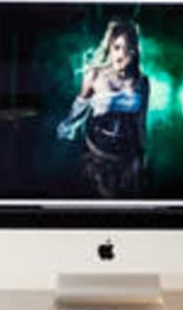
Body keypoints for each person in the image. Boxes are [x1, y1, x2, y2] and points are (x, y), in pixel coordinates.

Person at [56, 20, 149, 198]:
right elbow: (78, 109)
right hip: (96, 153)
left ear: (135, 51)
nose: (120, 55)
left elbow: (140, 123)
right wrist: (66, 131)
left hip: (127, 155)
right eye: (116, 47)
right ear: (109, 47)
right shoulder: (95, 75)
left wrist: (142, 156)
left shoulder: (142, 82)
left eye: (127, 49)